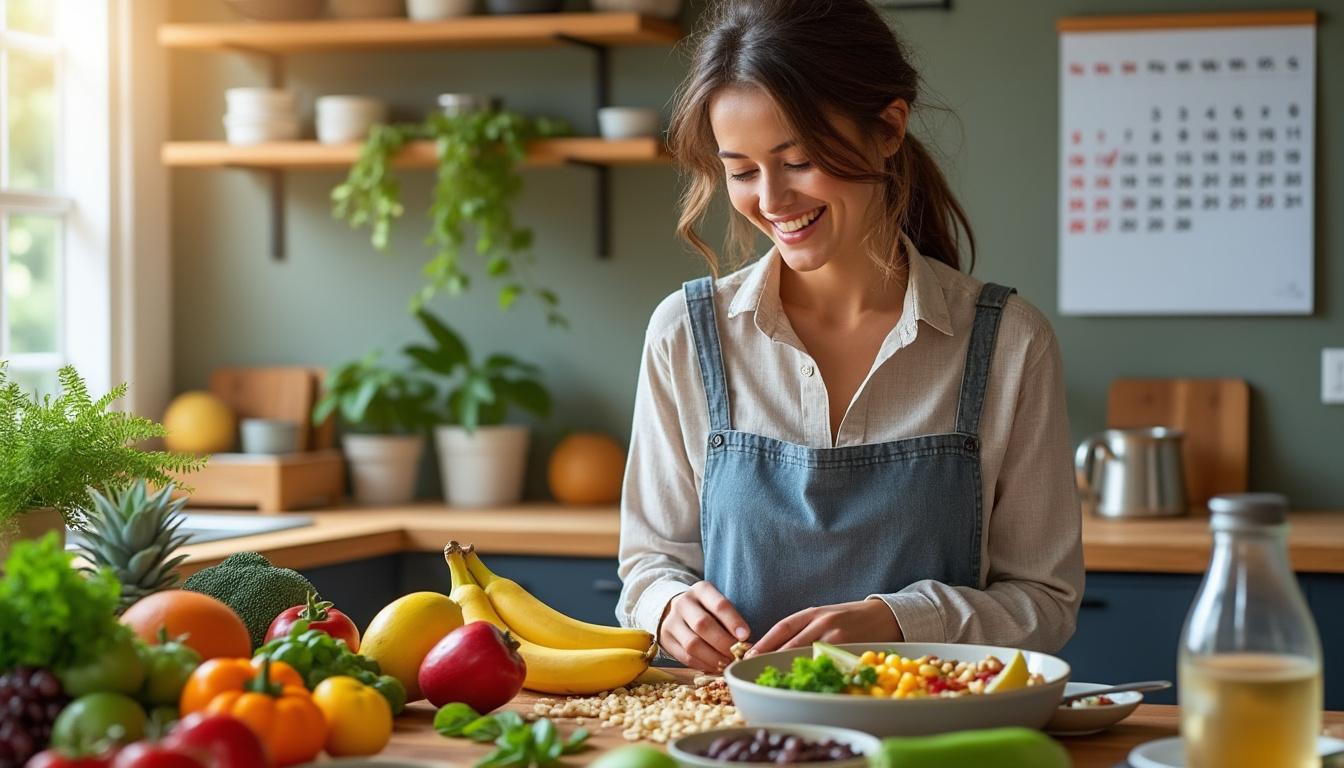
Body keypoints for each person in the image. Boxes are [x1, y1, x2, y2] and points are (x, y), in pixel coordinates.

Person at [617, 0, 1084, 673]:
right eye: (743, 172)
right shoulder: (687, 336)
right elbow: (648, 565)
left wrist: (898, 622)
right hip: (742, 739)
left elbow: (1045, 600)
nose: (772, 200)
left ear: (889, 128)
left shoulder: (1011, 343)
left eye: (798, 160)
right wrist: (666, 607)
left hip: (930, 739)